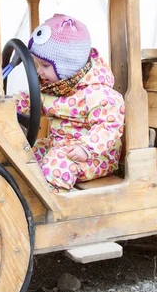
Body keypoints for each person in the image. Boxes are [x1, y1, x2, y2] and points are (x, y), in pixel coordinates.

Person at [13, 14, 125, 193]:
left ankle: (52, 207)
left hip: (94, 156)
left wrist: (86, 149)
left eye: (45, 66)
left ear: (67, 66)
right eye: (38, 65)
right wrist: (8, 105)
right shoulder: (55, 88)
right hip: (58, 146)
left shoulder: (97, 94)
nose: (39, 71)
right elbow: (33, 101)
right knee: (25, 152)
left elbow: (109, 126)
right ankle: (22, 194)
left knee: (56, 164)